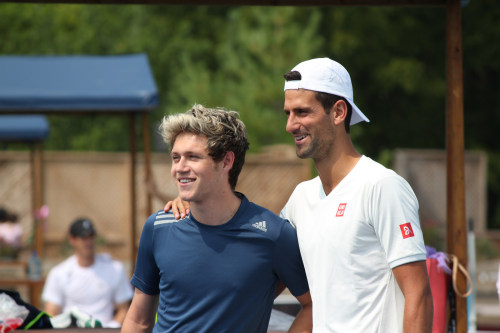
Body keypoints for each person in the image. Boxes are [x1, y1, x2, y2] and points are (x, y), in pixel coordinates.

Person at [167, 58, 434, 332]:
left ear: (339, 111)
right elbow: (258, 270)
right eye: (288, 113)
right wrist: (195, 205)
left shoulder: (382, 186)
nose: (291, 125)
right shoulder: (301, 197)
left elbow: (419, 295)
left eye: (302, 112)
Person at [122, 104, 312, 333]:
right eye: (175, 157)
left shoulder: (273, 234)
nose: (179, 168)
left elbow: (314, 305)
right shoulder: (158, 227)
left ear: (226, 162)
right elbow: (138, 321)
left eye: (192, 157)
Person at [42, 217, 133, 328]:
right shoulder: (58, 273)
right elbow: (51, 312)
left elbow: (124, 309)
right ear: (72, 239)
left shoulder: (115, 268)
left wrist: (111, 327)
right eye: (84, 238)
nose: (89, 242)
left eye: (91, 237)